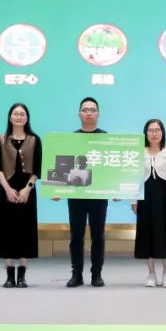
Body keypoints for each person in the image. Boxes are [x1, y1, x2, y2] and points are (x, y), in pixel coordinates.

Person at [0, 103, 42, 288]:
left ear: (27, 118)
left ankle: (22, 275)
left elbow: (37, 168)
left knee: (25, 231)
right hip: (7, 190)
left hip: (27, 191)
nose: (19, 117)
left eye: (22, 114)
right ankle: (9, 275)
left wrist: (28, 188)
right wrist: (7, 189)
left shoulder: (35, 139)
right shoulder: (0, 139)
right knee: (7, 230)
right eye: (15, 114)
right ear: (10, 117)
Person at [62, 97, 108, 288]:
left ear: (98, 114)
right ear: (79, 114)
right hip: (76, 195)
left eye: (92, 110)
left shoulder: (106, 138)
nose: (89, 113)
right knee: (76, 237)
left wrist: (116, 188)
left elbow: (110, 169)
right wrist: (57, 188)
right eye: (85, 110)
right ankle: (76, 274)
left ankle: (97, 274)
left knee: (98, 236)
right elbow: (64, 165)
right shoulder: (71, 139)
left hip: (98, 195)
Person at [131, 118, 166, 287]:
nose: (154, 133)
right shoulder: (139, 152)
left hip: (165, 197)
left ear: (162, 132)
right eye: (151, 130)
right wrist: (134, 199)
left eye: (157, 130)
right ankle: (151, 273)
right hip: (145, 198)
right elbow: (134, 177)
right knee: (147, 233)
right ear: (145, 133)